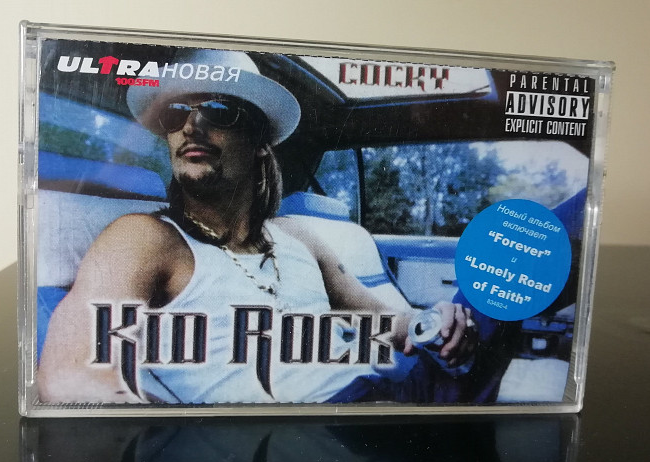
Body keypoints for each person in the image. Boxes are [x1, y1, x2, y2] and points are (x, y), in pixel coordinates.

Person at [38, 49, 478, 404]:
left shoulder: (299, 235)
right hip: (316, 434)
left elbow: (384, 321)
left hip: (398, 392)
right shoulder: (145, 237)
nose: (191, 126)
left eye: (218, 111)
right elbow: (69, 375)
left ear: (259, 144)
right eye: (175, 114)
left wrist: (434, 319)